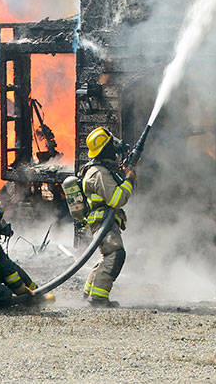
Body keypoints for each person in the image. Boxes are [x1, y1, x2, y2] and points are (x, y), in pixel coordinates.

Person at [81, 126, 135, 307]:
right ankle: (98, 299)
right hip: (102, 221)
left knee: (108, 255)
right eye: (112, 143)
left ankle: (88, 292)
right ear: (106, 148)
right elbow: (116, 199)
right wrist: (130, 180)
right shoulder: (99, 173)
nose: (115, 146)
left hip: (104, 220)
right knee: (116, 254)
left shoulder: (102, 170)